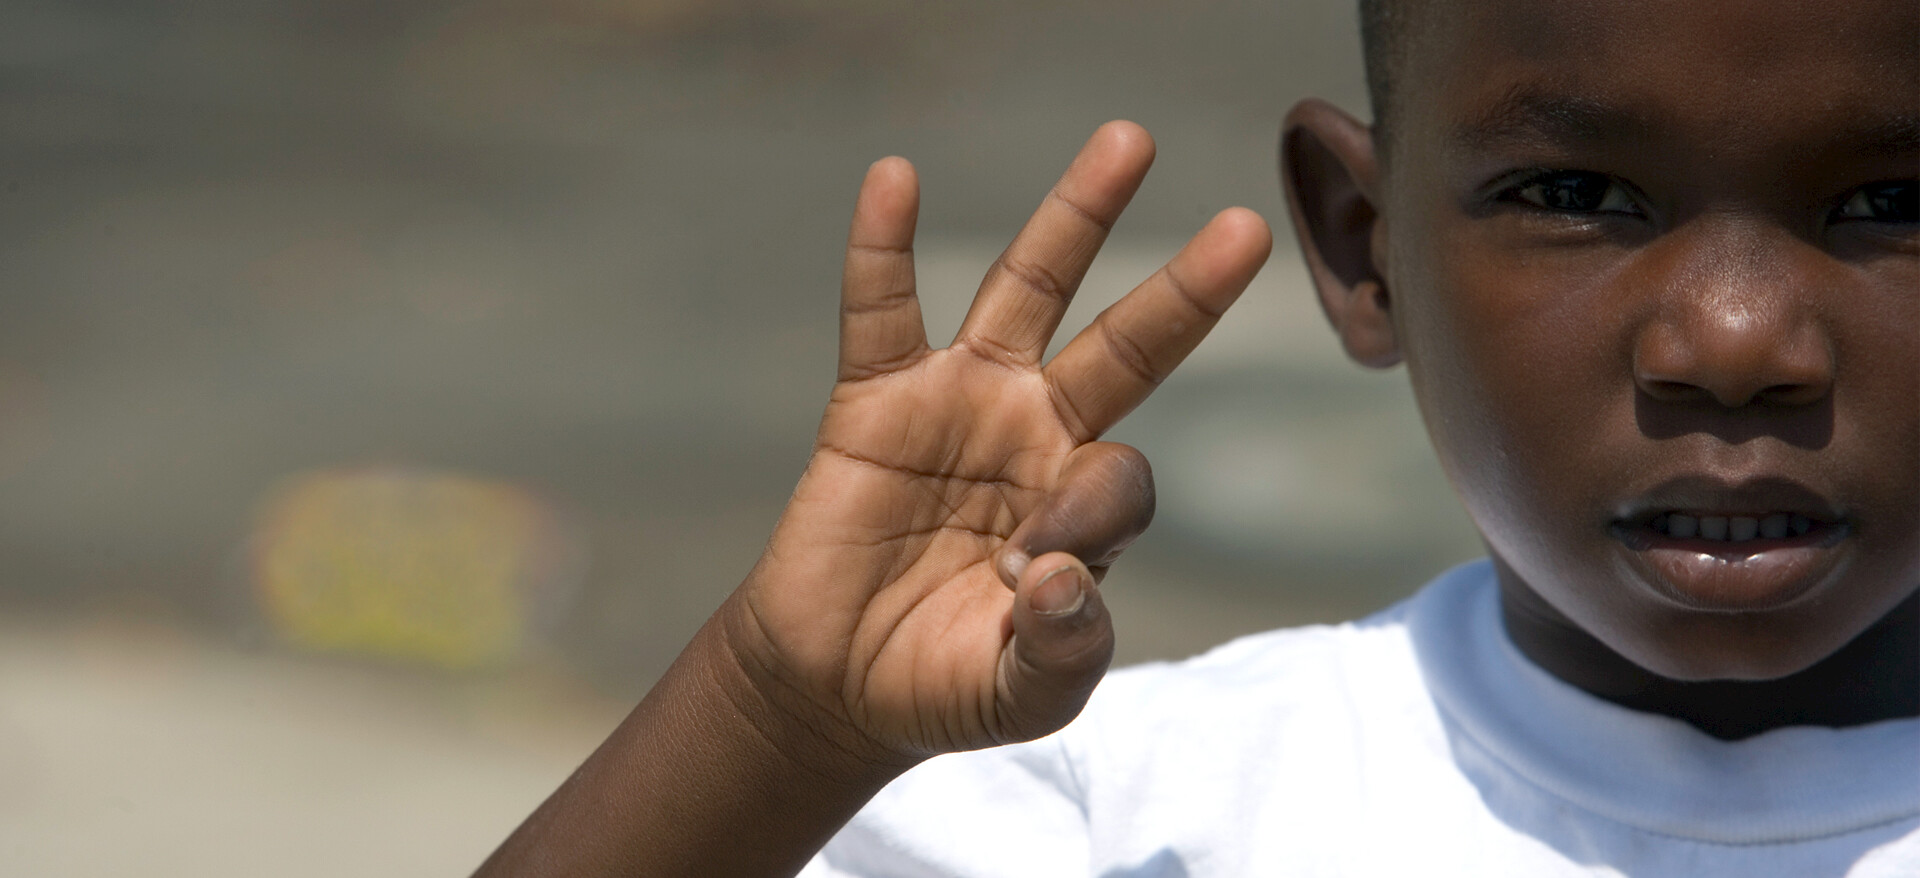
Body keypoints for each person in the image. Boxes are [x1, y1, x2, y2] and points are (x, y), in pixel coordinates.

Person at [476, 0, 1919, 874]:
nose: (1737, 346)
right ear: (1364, 248)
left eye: (1892, 204)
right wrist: (777, 720)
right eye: (1580, 195)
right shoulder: (1118, 817)